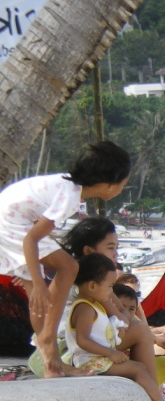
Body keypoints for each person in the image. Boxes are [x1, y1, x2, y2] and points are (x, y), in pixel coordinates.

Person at [0, 141, 131, 377]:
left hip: (11, 216)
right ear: (111, 185)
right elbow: (31, 239)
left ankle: (51, 361)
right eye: (124, 183)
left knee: (38, 291)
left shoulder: (68, 187)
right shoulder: (70, 197)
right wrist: (40, 283)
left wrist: (35, 281)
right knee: (67, 267)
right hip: (11, 222)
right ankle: (47, 339)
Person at [65, 254, 165, 401]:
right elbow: (82, 340)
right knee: (138, 369)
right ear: (92, 286)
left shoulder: (93, 304)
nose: (111, 292)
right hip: (91, 362)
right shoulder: (85, 308)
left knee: (139, 368)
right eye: (109, 287)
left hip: (99, 357)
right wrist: (111, 353)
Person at [62, 216, 162, 379]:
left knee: (141, 329)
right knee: (141, 331)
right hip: (76, 349)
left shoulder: (92, 280)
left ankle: (151, 391)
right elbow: (118, 313)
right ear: (88, 251)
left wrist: (127, 322)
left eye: (116, 248)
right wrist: (126, 323)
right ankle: (154, 396)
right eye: (110, 248)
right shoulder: (89, 285)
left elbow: (121, 311)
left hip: (93, 340)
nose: (116, 254)